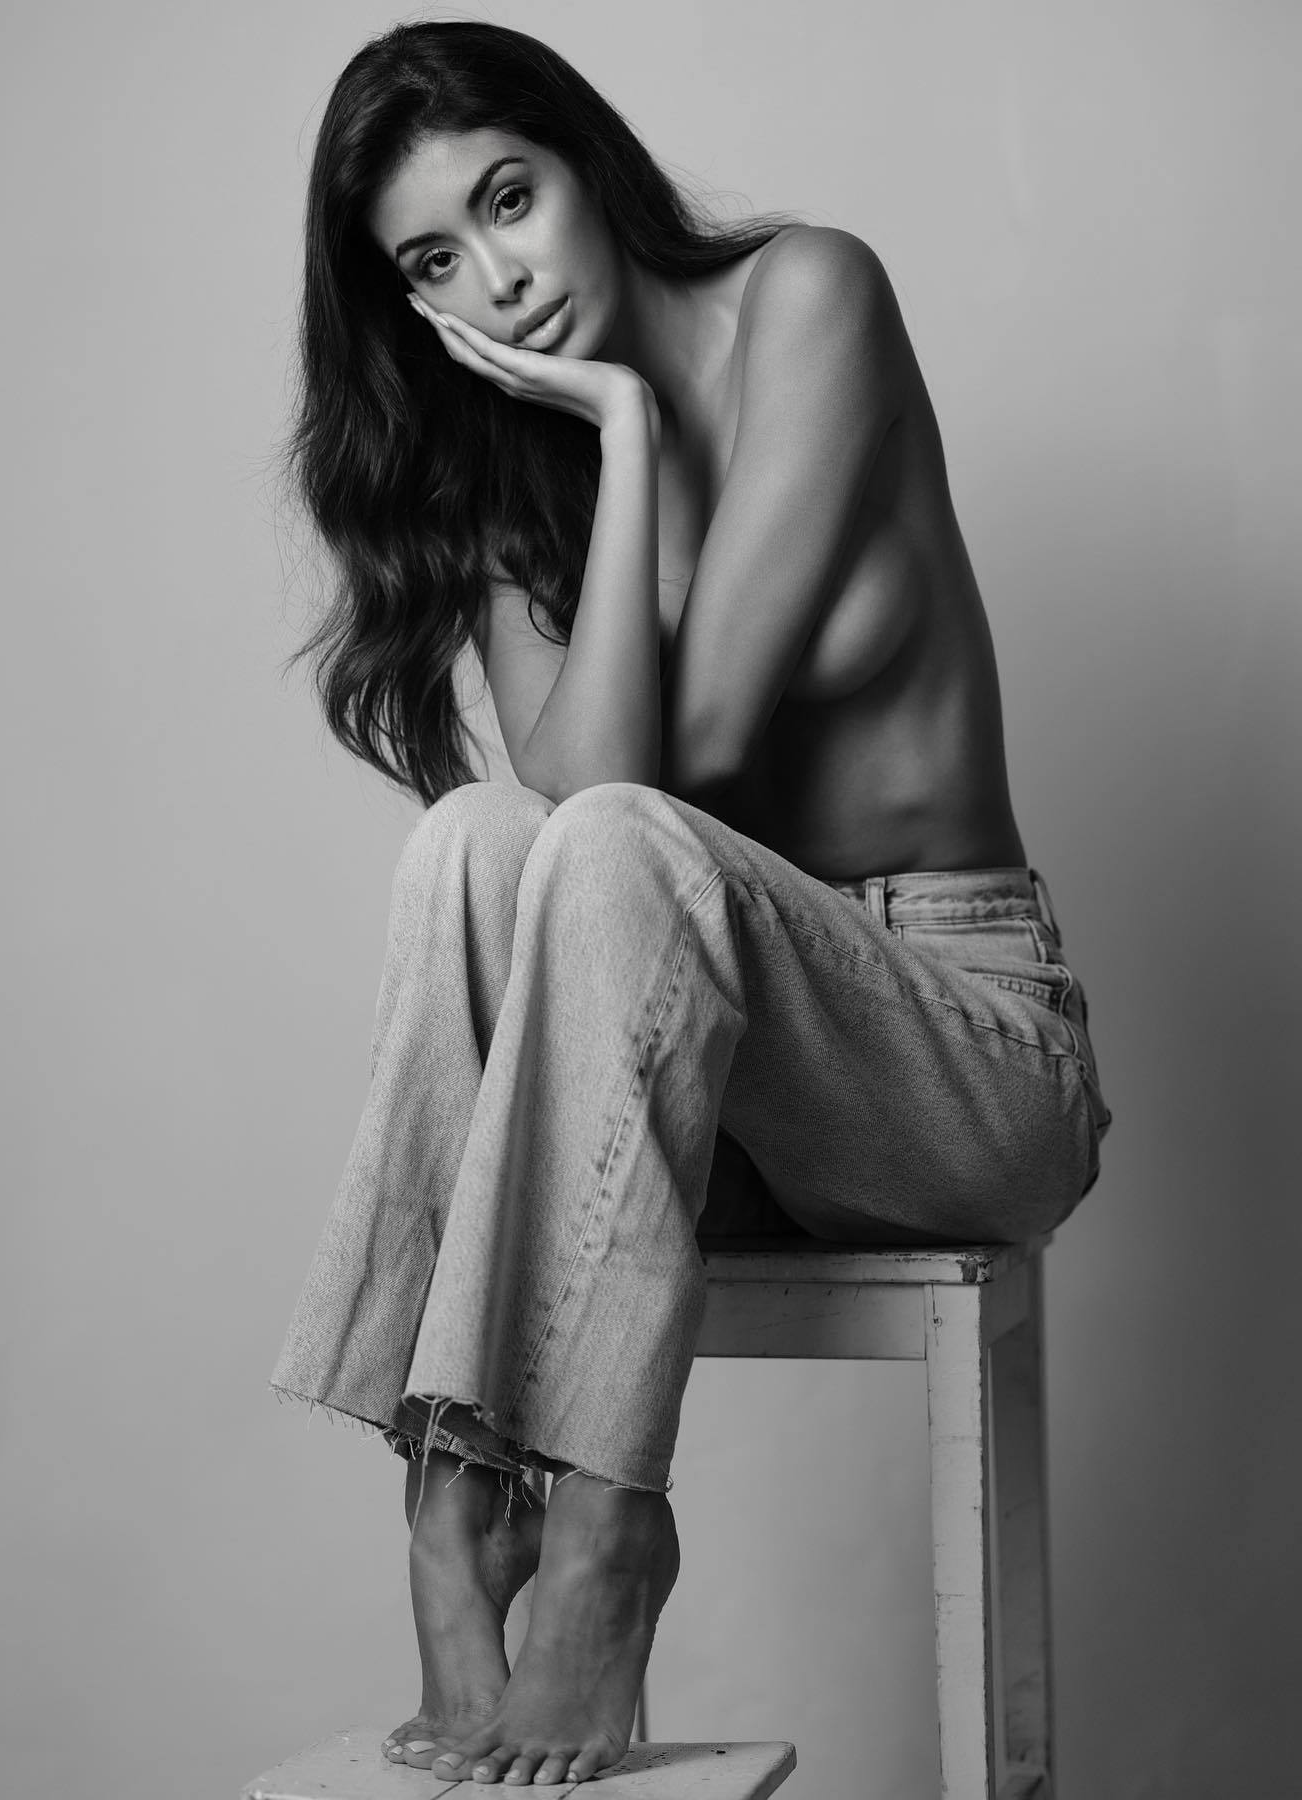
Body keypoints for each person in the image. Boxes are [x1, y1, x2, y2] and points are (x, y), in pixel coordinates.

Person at [270, 17, 1112, 1789]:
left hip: (960, 1055)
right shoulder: (505, 475)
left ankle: (600, 1536)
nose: (498, 278)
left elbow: (684, 766)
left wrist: (637, 425)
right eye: (434, 261)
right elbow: (578, 806)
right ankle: (451, 1506)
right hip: (705, 1088)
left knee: (602, 840)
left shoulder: (809, 298)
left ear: (586, 160)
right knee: (471, 841)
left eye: (510, 199)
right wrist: (598, 450)